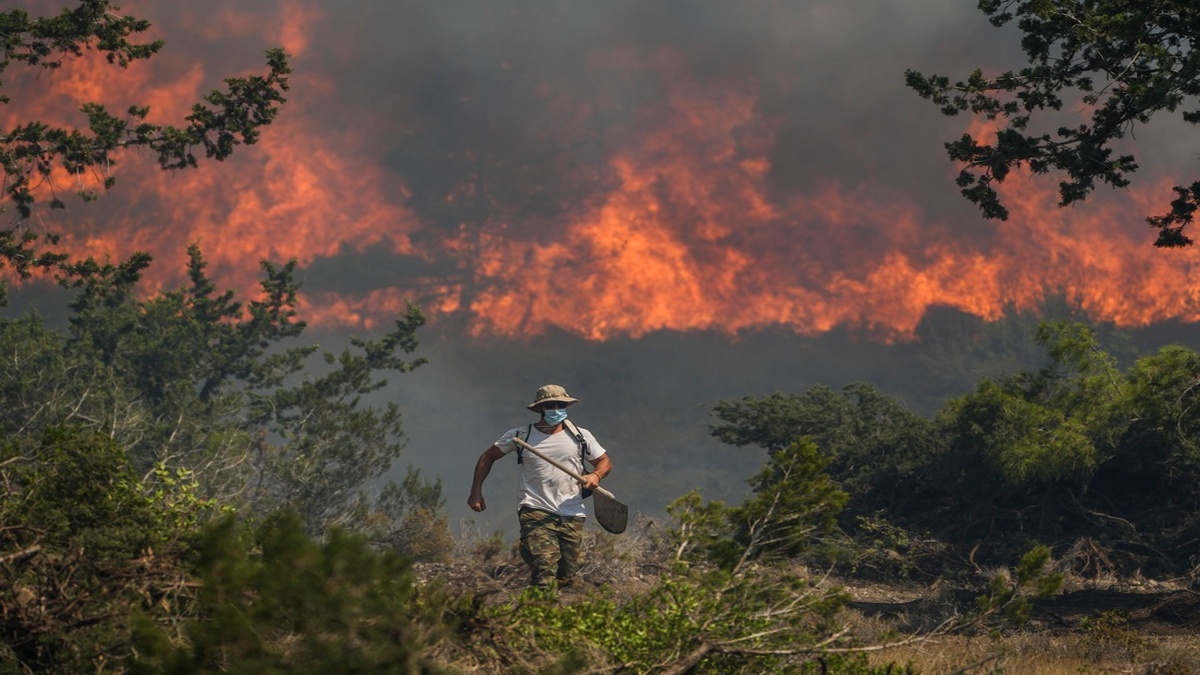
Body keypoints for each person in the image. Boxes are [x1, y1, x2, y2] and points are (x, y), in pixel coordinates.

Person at [468, 384, 613, 588]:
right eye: (550, 405)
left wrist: (596, 475)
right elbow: (488, 457)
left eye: (560, 404)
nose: (556, 409)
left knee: (567, 573)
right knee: (545, 563)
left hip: (571, 511)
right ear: (540, 409)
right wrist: (476, 491)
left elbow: (604, 461)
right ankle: (538, 604)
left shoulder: (580, 436)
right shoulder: (520, 436)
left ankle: (533, 558)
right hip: (535, 508)